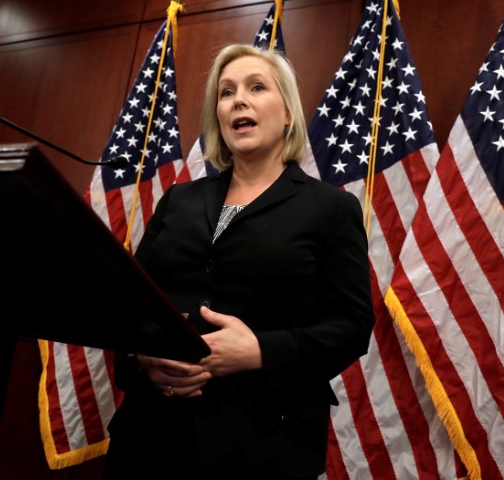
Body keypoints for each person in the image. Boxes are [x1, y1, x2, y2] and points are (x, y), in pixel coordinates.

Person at [103, 43, 374, 480]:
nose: (238, 100)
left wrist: (260, 351)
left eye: (256, 87)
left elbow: (351, 325)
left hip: (262, 446)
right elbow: (133, 304)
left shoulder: (330, 208)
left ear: (287, 114)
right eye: (226, 93)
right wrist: (143, 360)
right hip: (151, 436)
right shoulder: (179, 200)